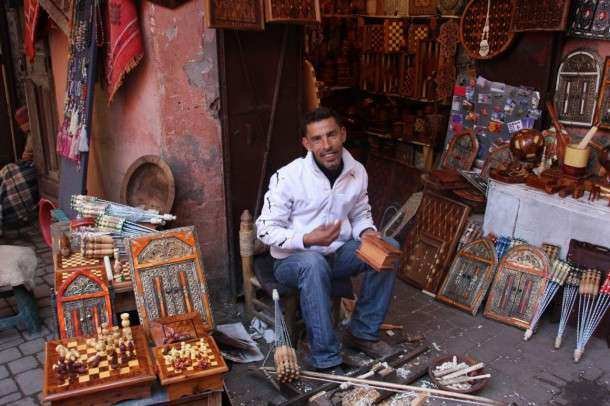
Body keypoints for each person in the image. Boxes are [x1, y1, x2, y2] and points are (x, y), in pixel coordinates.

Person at [255, 107, 396, 371]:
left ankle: (362, 332)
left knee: (388, 250)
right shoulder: (288, 176)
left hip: (336, 255)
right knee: (312, 262)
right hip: (292, 262)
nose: (327, 145)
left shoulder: (357, 171)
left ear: (343, 134)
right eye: (317, 139)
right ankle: (325, 356)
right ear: (306, 144)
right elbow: (264, 229)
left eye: (331, 135)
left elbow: (360, 211)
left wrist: (367, 232)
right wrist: (307, 238)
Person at [0, 106, 38, 235]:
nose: (22, 128)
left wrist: (27, 158)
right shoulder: (30, 135)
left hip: (34, 167)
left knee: (8, 171)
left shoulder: (37, 133)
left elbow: (33, 155)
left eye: (23, 124)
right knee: (6, 175)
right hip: (28, 164)